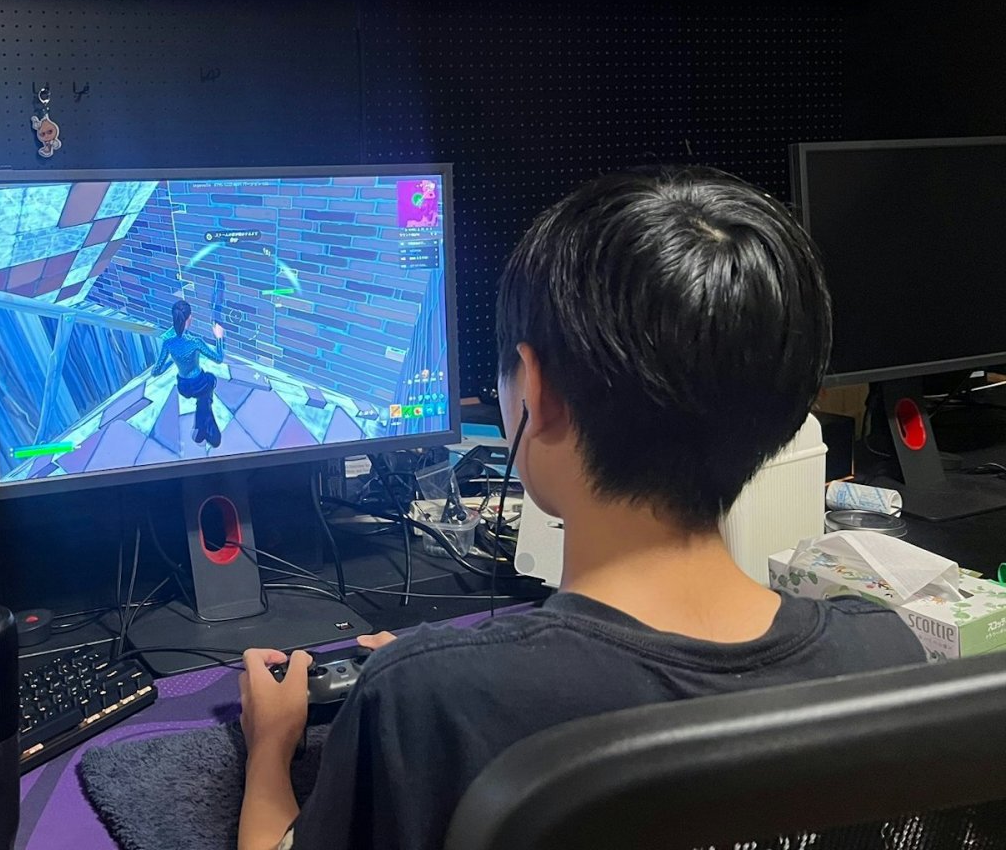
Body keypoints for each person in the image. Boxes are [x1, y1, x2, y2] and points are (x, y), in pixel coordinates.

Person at [236, 167, 925, 850]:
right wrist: (452, 670)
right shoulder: (887, 653)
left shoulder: (424, 701)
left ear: (537, 392)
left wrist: (273, 746)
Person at [153, 299, 227, 448]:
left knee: (204, 401)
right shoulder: (195, 342)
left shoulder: (168, 343)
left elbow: (156, 371)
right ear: (188, 318)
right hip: (200, 384)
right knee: (209, 383)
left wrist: (173, 360)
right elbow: (219, 358)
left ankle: (201, 431)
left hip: (183, 386)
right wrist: (219, 337)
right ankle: (208, 434)